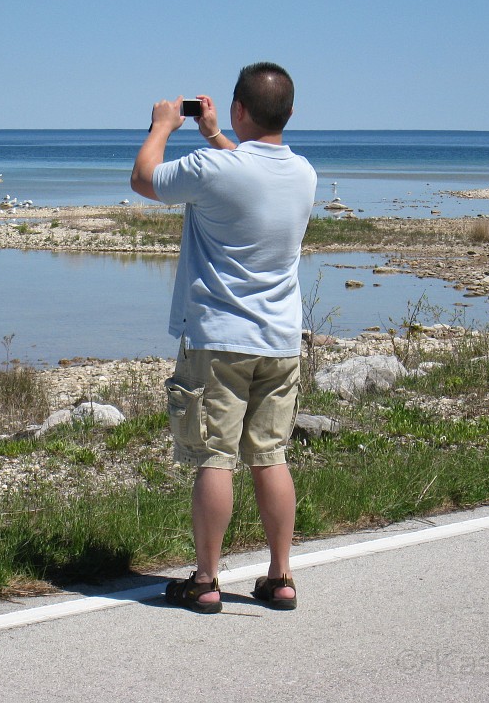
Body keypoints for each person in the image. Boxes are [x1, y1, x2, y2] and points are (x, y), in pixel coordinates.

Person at [130, 62, 317, 613]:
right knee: (270, 456)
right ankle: (280, 577)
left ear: (240, 109)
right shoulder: (303, 173)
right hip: (280, 340)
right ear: (288, 112)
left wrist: (163, 126)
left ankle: (206, 580)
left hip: (219, 338)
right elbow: (250, 166)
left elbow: (144, 179)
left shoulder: (212, 169)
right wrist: (213, 131)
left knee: (215, 457)